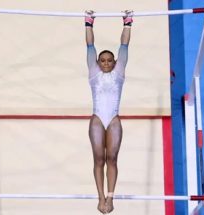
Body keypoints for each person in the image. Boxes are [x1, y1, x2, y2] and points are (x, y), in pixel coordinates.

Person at [85, 10, 132, 214]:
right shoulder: (93, 73)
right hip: (97, 119)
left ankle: (111, 199)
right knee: (99, 159)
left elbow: (124, 45)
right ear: (96, 63)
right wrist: (88, 23)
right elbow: (89, 46)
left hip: (113, 119)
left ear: (115, 63)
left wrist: (128, 23)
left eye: (109, 61)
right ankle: (100, 197)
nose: (105, 63)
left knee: (112, 159)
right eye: (102, 60)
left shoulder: (119, 73)